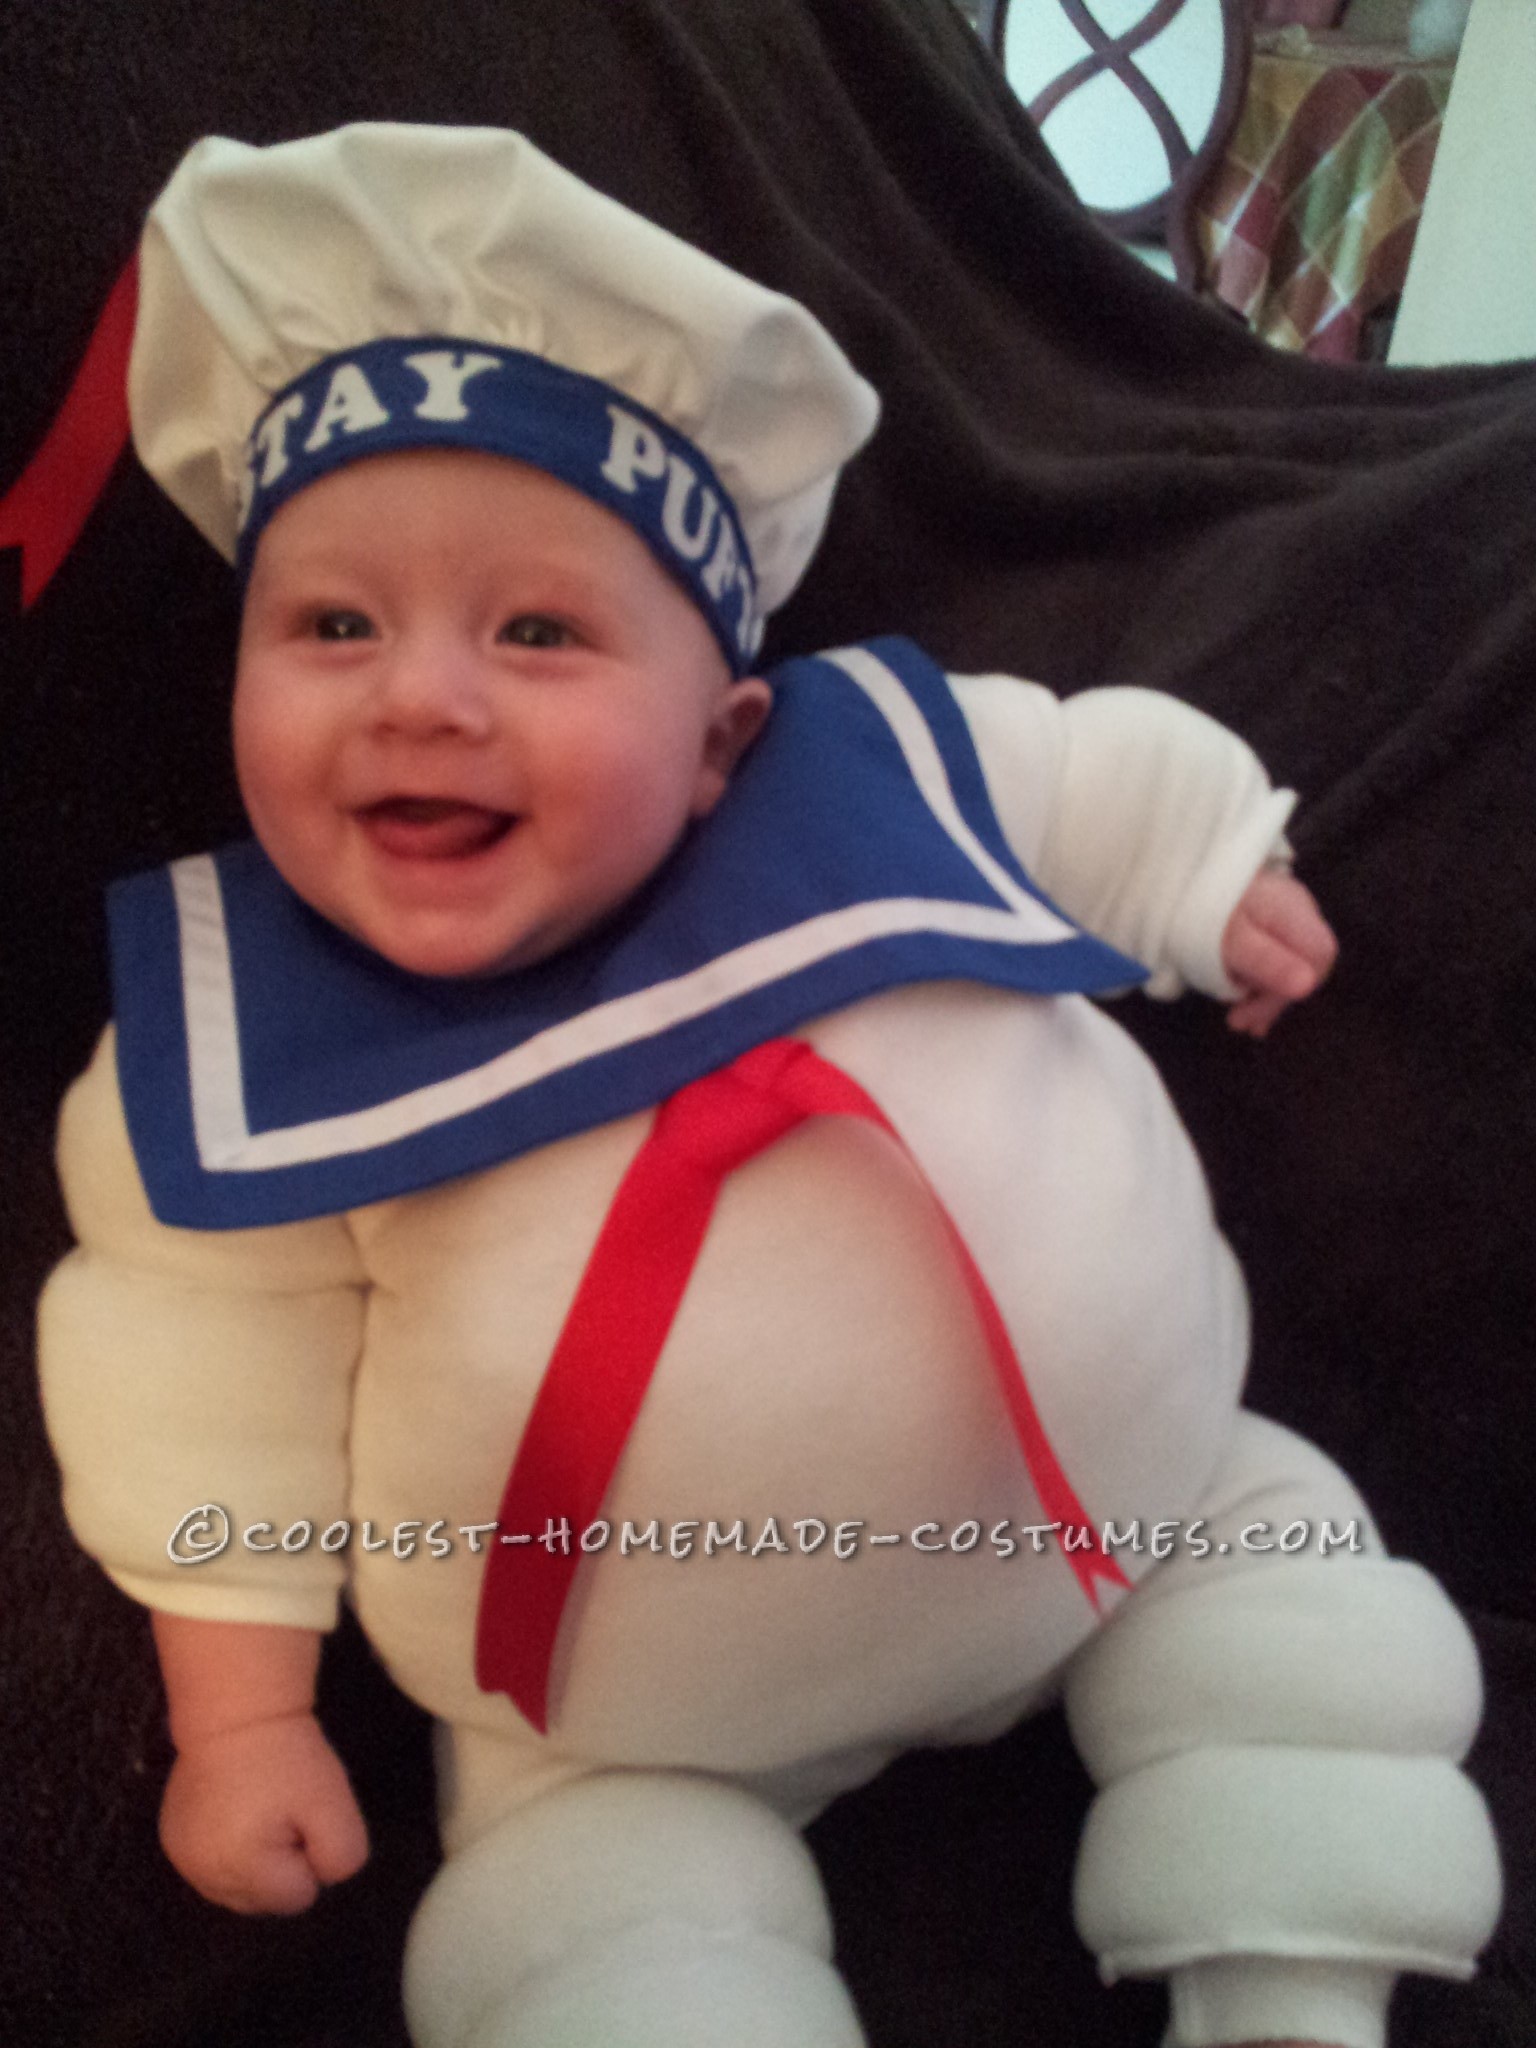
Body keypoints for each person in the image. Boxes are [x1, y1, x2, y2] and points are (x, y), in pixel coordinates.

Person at [37, 123, 1500, 2048]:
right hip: (628, 1721)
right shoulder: (241, 1044)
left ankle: (1295, 1985)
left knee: (1314, 1630)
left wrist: (1215, 876)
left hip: (1146, 1492)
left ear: (724, 732)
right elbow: (194, 1394)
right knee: (596, 1935)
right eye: (332, 625)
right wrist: (244, 1719)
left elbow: (1080, 776)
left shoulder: (868, 758)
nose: (418, 699)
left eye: (537, 631)